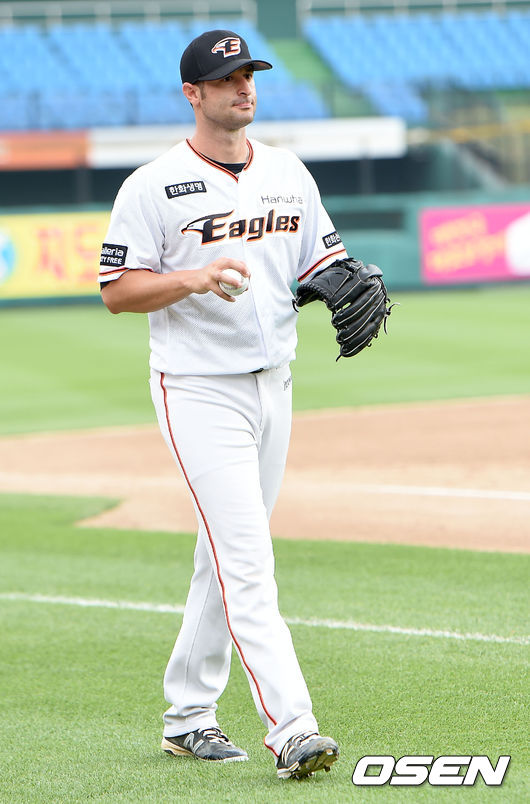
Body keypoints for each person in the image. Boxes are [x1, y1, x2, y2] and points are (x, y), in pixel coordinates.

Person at [99, 28, 345, 780]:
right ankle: (293, 728)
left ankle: (187, 718)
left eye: (250, 74)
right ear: (193, 93)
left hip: (277, 383)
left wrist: (342, 280)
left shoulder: (288, 172)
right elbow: (117, 291)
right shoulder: (152, 185)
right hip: (198, 388)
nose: (243, 87)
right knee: (247, 561)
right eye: (226, 77)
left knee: (223, 554)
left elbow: (321, 261)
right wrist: (193, 277)